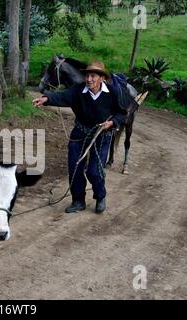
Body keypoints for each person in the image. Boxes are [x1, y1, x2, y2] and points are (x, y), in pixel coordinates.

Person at [33, 61, 127, 214]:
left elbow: (122, 113)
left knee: (94, 171)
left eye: (93, 76)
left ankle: (100, 196)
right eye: (87, 75)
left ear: (102, 78)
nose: (89, 79)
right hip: (80, 133)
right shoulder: (78, 91)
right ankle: (78, 201)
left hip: (101, 136)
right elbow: (62, 96)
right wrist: (46, 99)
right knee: (75, 167)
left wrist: (112, 122)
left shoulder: (112, 92)